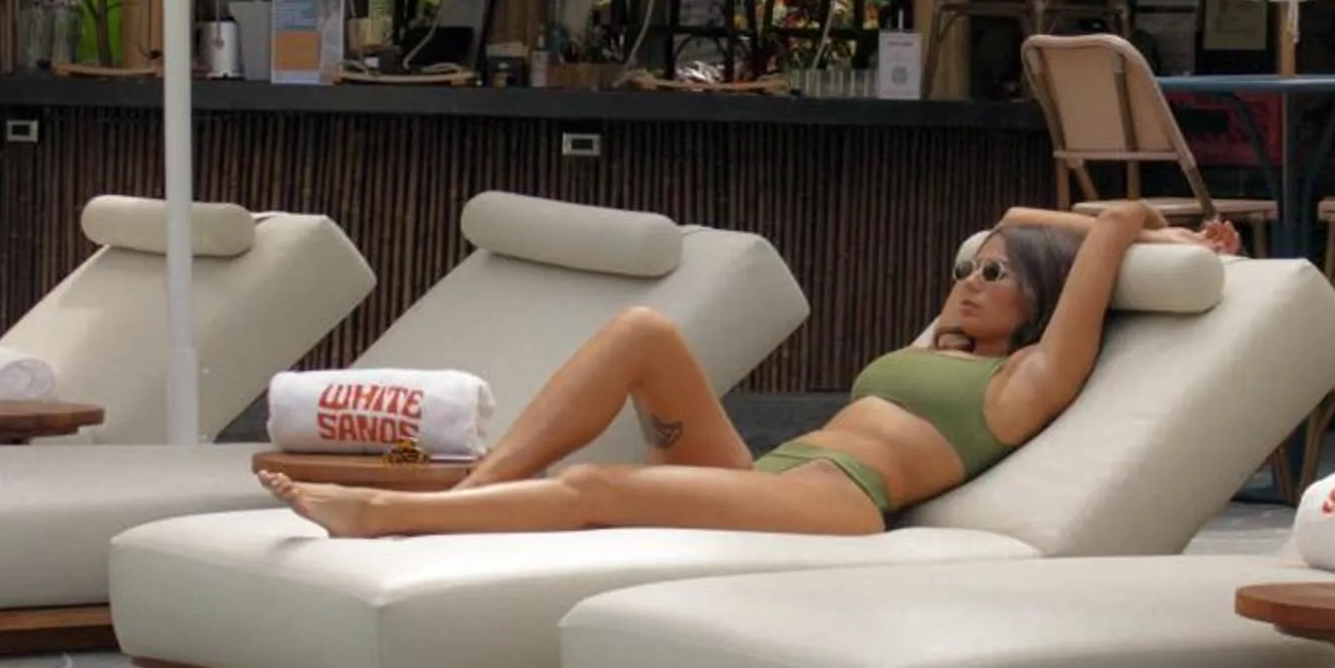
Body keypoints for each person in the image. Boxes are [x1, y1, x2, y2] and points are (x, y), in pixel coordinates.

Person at [259, 198, 1234, 544]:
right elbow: (1021, 217)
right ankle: (477, 492)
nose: (974, 281)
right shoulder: (935, 346)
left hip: (841, 501)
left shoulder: (1024, 383)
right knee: (642, 329)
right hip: (771, 473)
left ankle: (386, 517)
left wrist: (1168, 236)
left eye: (998, 279)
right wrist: (1010, 242)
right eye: (967, 270)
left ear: (1041, 308)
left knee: (598, 484)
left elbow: (1094, 233)